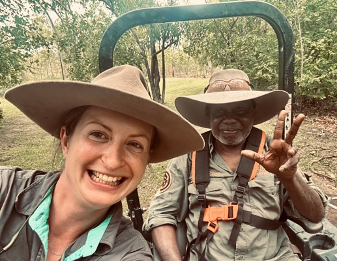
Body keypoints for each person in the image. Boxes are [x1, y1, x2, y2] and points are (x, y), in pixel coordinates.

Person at [0, 65, 205, 261]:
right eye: (98, 134)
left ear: (147, 159)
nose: (113, 161)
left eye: (135, 144)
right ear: (66, 140)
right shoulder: (5, 190)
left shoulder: (130, 254)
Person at [142, 69, 327, 261]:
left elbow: (315, 215)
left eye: (240, 110)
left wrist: (290, 178)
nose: (229, 119)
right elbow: (161, 214)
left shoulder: (275, 152)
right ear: (208, 114)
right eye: (219, 111)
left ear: (253, 112)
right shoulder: (189, 156)